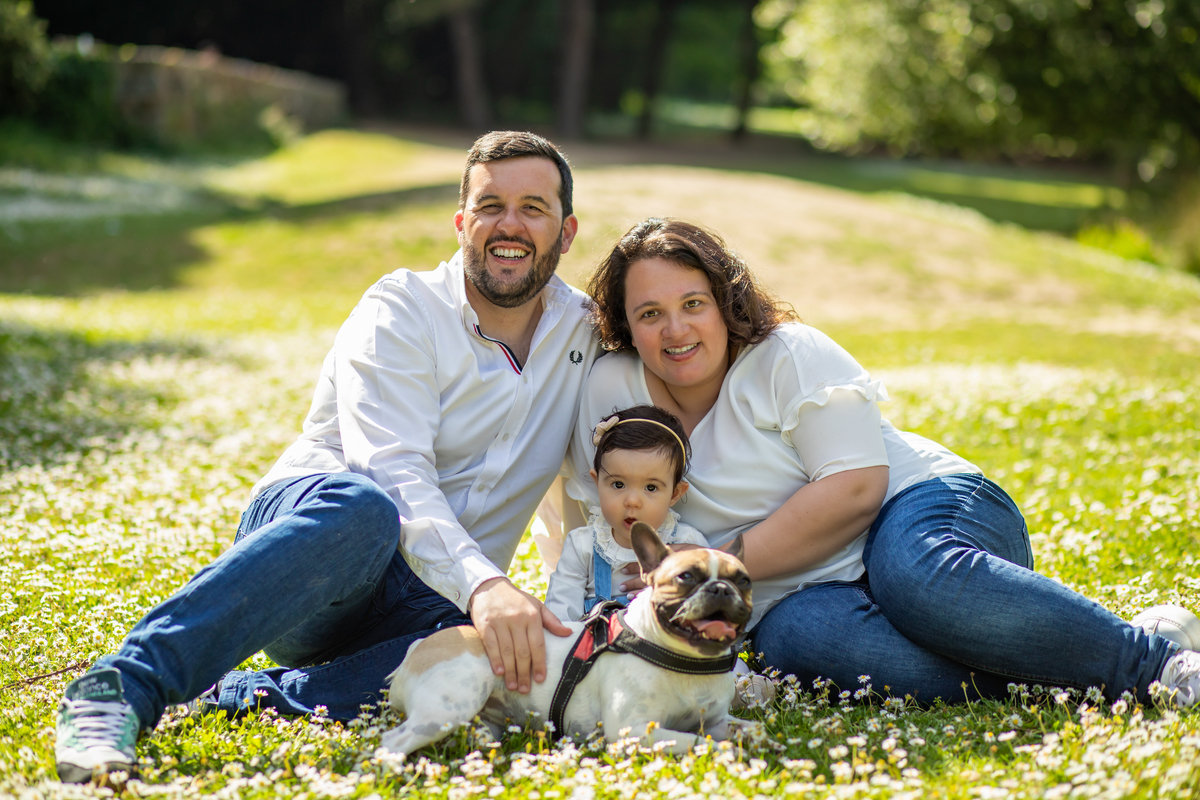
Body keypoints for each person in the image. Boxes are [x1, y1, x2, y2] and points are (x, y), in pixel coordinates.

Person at [54, 131, 601, 783]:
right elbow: (391, 475)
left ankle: (245, 696)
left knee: (497, 655)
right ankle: (121, 687)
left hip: (435, 603)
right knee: (365, 509)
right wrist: (487, 585)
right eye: (490, 206)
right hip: (323, 549)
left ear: (567, 233)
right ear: (461, 224)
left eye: (533, 208)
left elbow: (593, 489)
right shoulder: (402, 309)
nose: (509, 225)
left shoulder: (585, 334)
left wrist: (591, 620)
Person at [566, 216, 1200, 708]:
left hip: (921, 511)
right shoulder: (612, 391)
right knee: (795, 643)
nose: (676, 330)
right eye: (649, 314)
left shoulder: (785, 355)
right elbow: (594, 517)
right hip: (808, 594)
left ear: (724, 300)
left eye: (693, 303)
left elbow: (856, 490)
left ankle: (1156, 666)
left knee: (909, 573)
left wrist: (713, 569)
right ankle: (1080, 662)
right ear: (626, 326)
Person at [543, 404, 706, 622]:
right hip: (595, 642)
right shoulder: (583, 546)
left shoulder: (687, 544)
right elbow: (560, 616)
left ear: (675, 494)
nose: (632, 501)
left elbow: (707, 609)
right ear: (597, 482)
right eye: (618, 484)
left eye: (651, 488)